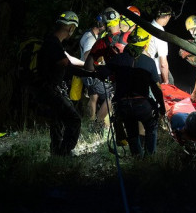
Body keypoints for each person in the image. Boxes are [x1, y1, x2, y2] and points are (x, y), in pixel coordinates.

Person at [96, 28, 165, 157]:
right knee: (151, 127)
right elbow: (156, 89)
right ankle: (149, 157)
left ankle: (137, 157)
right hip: (142, 104)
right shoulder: (149, 62)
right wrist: (162, 108)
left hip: (123, 105)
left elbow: (102, 74)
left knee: (131, 130)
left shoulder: (118, 59)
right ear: (144, 45)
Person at [35, 10, 85, 155]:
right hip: (51, 89)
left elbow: (67, 60)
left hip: (45, 88)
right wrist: (91, 74)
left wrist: (88, 67)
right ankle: (64, 153)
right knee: (74, 120)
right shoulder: (53, 43)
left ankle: (56, 154)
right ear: (71, 28)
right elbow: (67, 66)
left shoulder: (52, 41)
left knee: (57, 121)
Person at [145, 8, 174, 86]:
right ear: (167, 17)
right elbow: (163, 63)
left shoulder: (148, 26)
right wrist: (166, 81)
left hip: (144, 66)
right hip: (156, 70)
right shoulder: (160, 33)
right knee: (171, 82)